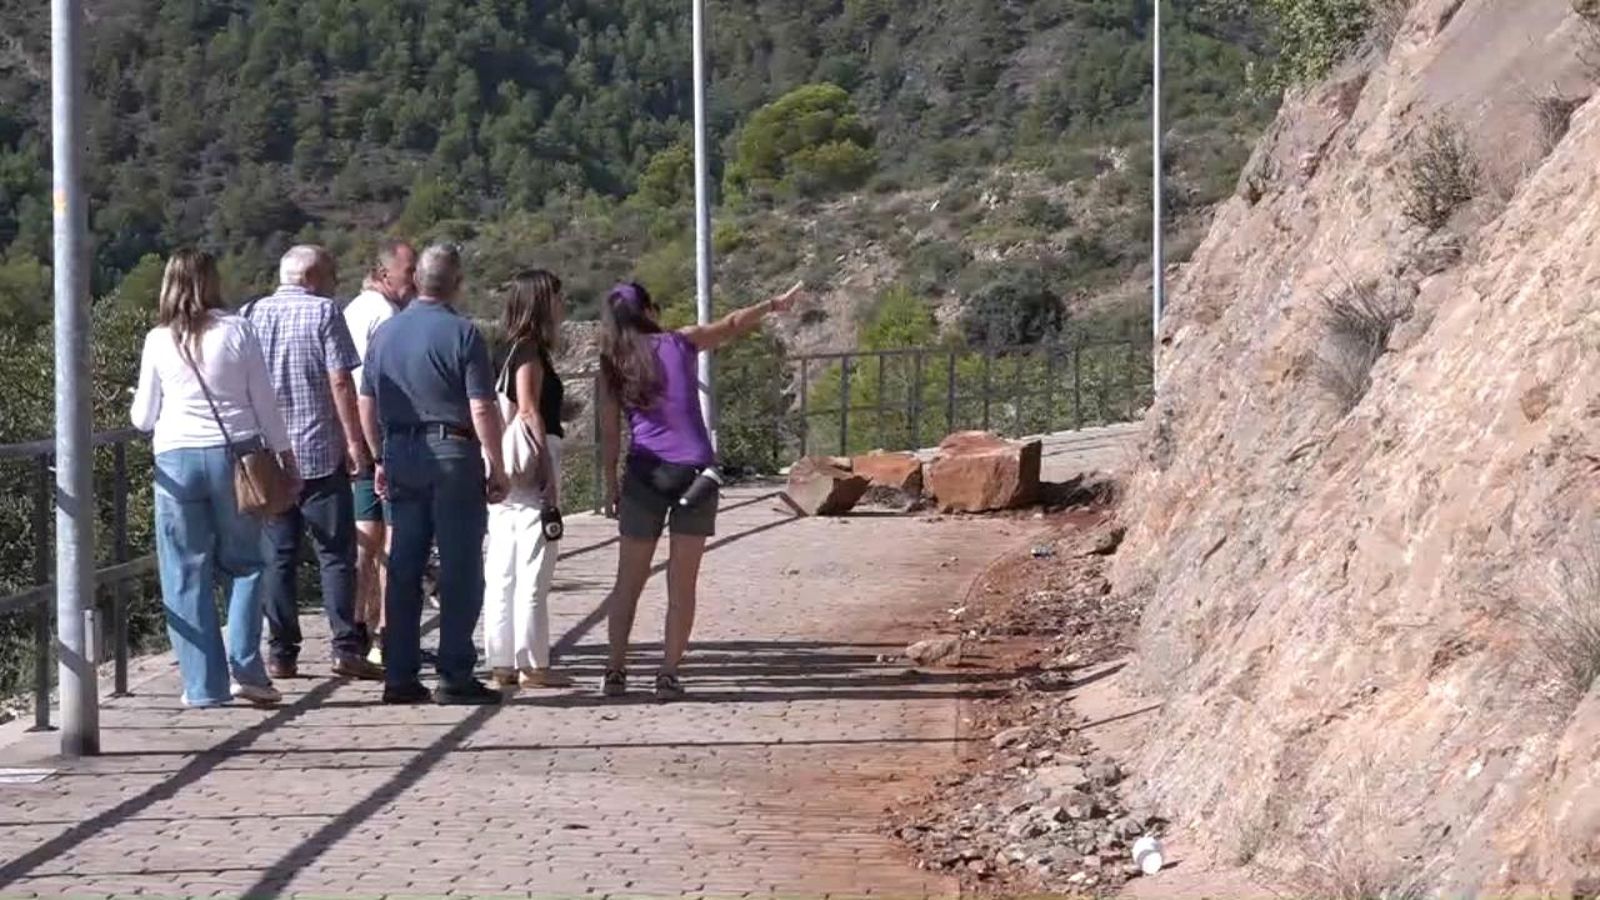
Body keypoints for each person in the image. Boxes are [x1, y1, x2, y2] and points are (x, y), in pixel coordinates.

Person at [598, 280, 802, 700]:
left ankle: (614, 672)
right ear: (650, 310)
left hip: (644, 475)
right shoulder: (680, 342)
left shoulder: (612, 364)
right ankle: (668, 673)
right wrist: (771, 305)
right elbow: (728, 325)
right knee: (682, 583)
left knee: (628, 583)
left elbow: (609, 436)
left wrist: (609, 485)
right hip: (695, 473)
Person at [130, 249, 300, 708]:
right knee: (247, 564)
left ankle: (204, 687)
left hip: (176, 461)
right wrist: (286, 457)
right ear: (212, 281)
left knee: (185, 572)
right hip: (236, 458)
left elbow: (143, 418)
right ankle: (246, 667)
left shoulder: (157, 340)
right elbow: (264, 401)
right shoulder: (238, 330)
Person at [359, 244, 510, 705]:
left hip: (401, 452)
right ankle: (454, 674)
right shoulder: (463, 334)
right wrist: (497, 465)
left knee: (404, 563)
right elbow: (481, 405)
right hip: (452, 452)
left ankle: (399, 673)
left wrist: (377, 458)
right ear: (456, 283)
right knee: (461, 566)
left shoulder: (385, 334)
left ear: (417, 281)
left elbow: (366, 402)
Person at [247, 245, 383, 681]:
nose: (335, 281)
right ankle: (344, 647)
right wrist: (354, 442)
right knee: (334, 553)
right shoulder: (325, 312)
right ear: (311, 277)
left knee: (279, 557)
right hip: (319, 450)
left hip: (270, 454)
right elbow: (340, 380)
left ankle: (281, 654)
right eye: (331, 273)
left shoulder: (252, 313)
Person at [482, 270, 573, 690]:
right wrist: (549, 476)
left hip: (503, 469)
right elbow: (530, 410)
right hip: (531, 465)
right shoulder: (530, 352)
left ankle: (500, 660)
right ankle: (533, 662)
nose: (562, 305)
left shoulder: (503, 349)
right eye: (557, 298)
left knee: (502, 571)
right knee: (534, 571)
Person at [343, 240, 417, 665]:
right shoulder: (387, 317)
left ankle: (356, 627)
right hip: (384, 440)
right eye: (409, 273)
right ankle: (387, 634)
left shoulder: (352, 310)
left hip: (357, 436)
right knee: (392, 536)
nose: (413, 282)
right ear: (387, 274)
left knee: (364, 537)